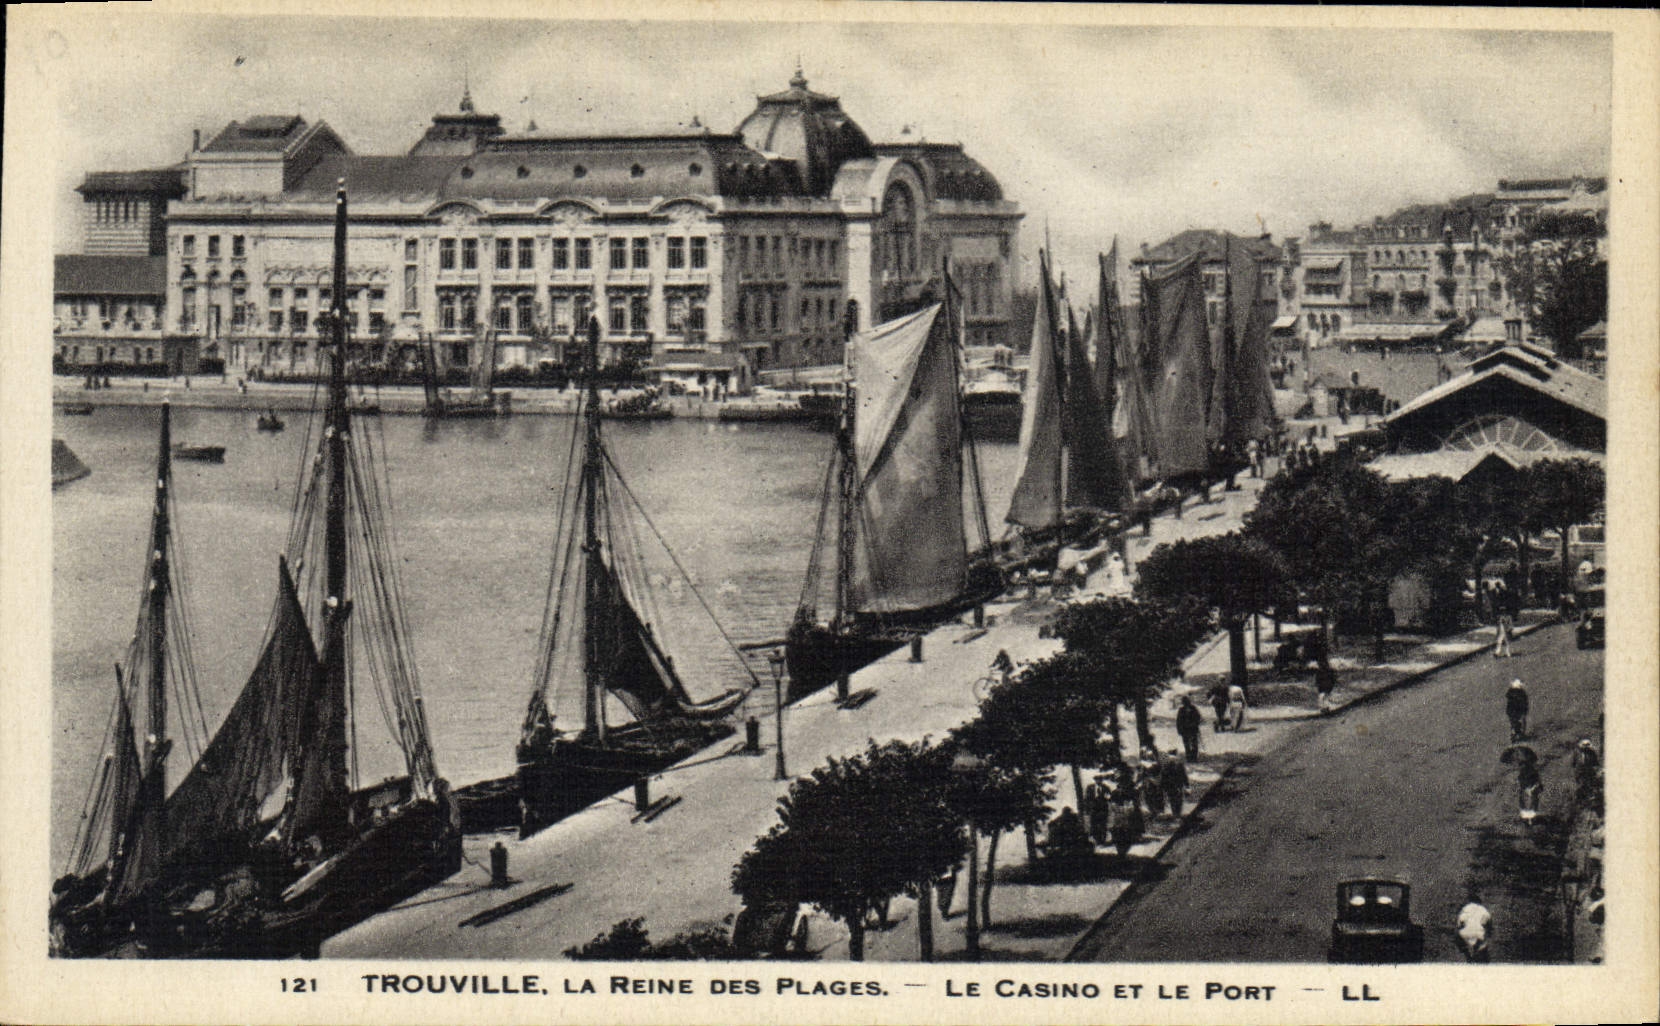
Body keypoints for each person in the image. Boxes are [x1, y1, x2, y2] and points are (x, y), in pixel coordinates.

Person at [1456, 891, 1492, 962]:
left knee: (1458, 935)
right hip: (1479, 935)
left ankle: (1468, 955)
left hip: (1465, 934)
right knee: (1483, 945)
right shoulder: (1484, 910)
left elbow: (1459, 924)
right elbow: (1489, 925)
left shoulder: (1465, 909)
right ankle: (1477, 952)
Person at [1160, 748, 1189, 819]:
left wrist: (1187, 786)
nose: (1172, 758)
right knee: (1173, 801)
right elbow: (1164, 777)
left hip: (1178, 786)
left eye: (1173, 757)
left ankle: (1177, 814)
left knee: (1178, 801)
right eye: (1171, 757)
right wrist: (1163, 787)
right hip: (1171, 787)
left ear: (1176, 757)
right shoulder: (1166, 766)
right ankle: (1175, 814)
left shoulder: (1179, 766)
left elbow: (1184, 776)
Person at [1572, 738, 1602, 806]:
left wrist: (1595, 769)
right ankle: (1579, 801)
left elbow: (1596, 763)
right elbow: (1574, 762)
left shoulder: (1592, 753)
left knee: (1589, 785)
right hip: (1579, 772)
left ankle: (1591, 801)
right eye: (1584, 745)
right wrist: (1576, 770)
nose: (1585, 747)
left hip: (1589, 772)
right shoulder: (1577, 752)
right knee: (1581, 786)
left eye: (1587, 745)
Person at [1516, 750, 1543, 824]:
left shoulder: (1532, 772)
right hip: (1528, 786)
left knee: (1529, 798)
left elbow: (1537, 781)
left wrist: (1533, 787)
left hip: (1529, 786)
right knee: (1529, 798)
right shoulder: (1524, 773)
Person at [1176, 696, 1203, 760]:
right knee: (1187, 744)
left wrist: (1195, 724)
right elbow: (1179, 721)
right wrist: (1179, 729)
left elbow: (1198, 717)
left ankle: (1194, 757)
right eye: (1185, 702)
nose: (1186, 703)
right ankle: (1189, 756)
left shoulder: (1193, 708)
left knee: (1193, 743)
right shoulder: (1181, 710)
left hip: (1192, 729)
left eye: (1187, 702)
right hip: (1185, 729)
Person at [1493, 581, 1514, 658]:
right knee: (1501, 640)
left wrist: (1510, 629)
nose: (1503, 612)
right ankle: (1498, 652)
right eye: (1502, 611)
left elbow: (1510, 623)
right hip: (1503, 630)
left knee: (1505, 641)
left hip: (1506, 630)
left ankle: (1505, 652)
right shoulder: (1501, 617)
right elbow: (1499, 624)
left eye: (1504, 611)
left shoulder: (1508, 616)